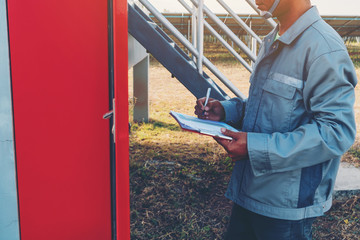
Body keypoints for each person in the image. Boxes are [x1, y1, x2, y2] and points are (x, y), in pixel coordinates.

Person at [194, 0, 357, 239]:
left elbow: (335, 132)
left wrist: (254, 148)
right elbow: (266, 105)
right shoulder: (273, 39)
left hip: (285, 208)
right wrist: (226, 111)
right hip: (250, 192)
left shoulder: (324, 48)